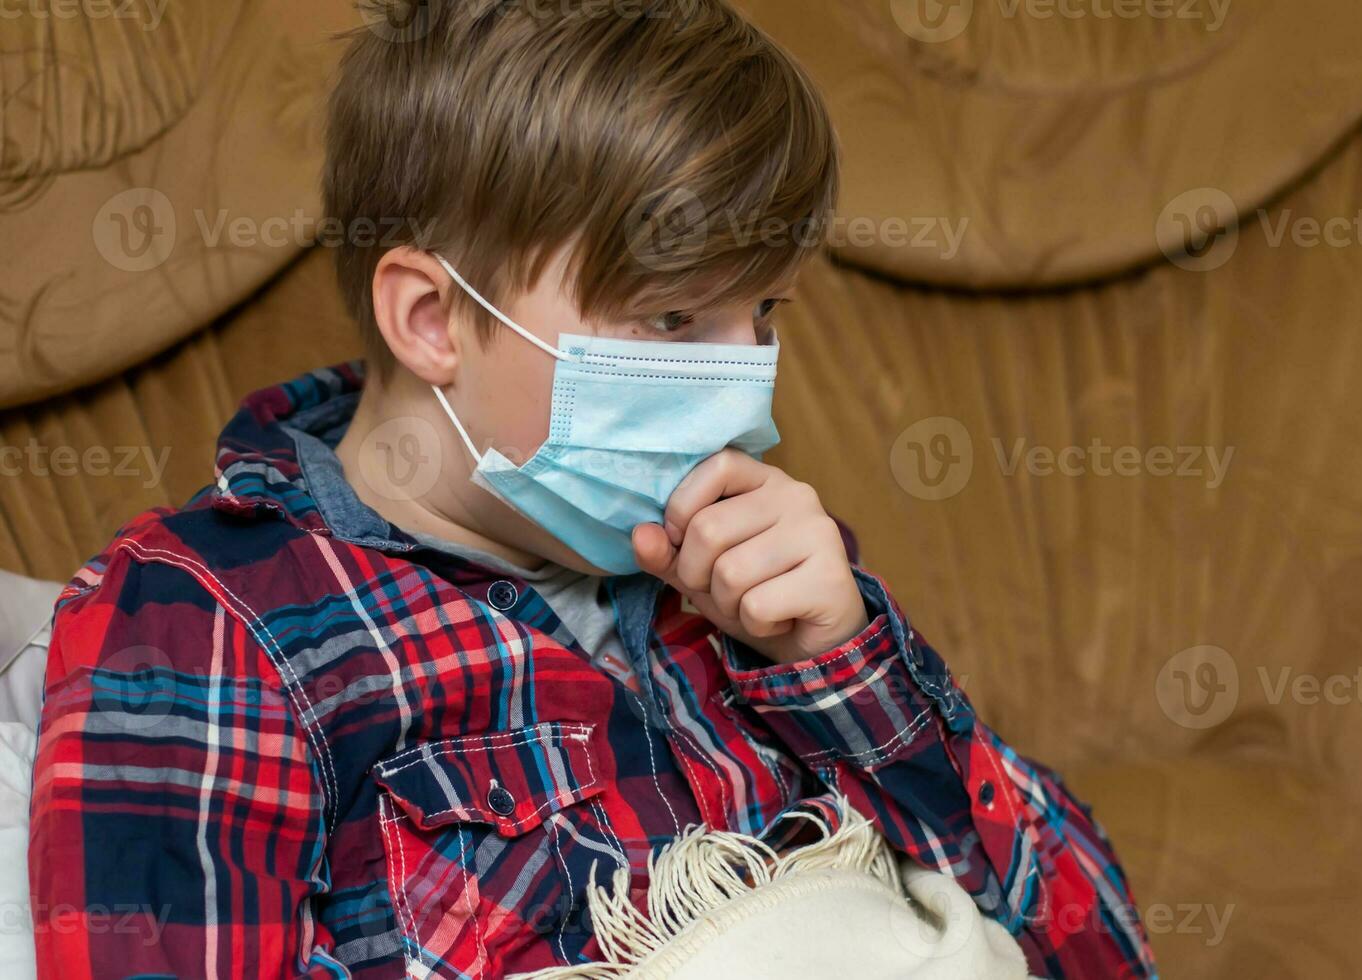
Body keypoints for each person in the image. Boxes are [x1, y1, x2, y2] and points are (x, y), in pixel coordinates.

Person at [28, 1, 1155, 977]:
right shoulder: (215, 623)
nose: (734, 377)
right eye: (670, 319)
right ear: (432, 319)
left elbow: (1099, 947)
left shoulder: (758, 579)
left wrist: (847, 665)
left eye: (762, 314)